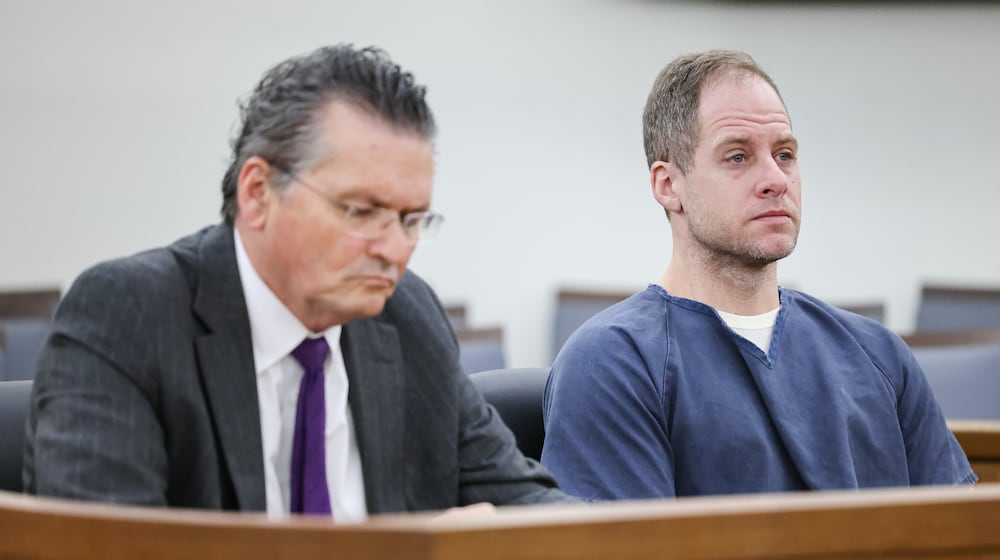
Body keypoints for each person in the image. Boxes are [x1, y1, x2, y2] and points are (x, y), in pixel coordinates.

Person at [24, 44, 572, 520]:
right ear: (258, 193)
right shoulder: (128, 316)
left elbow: (530, 510)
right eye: (360, 211)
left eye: (411, 221)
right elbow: (108, 546)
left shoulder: (408, 318)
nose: (394, 249)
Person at [540, 49, 976, 500]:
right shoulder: (612, 363)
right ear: (669, 186)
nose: (775, 179)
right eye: (737, 157)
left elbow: (961, 535)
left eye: (784, 154)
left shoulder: (880, 355)